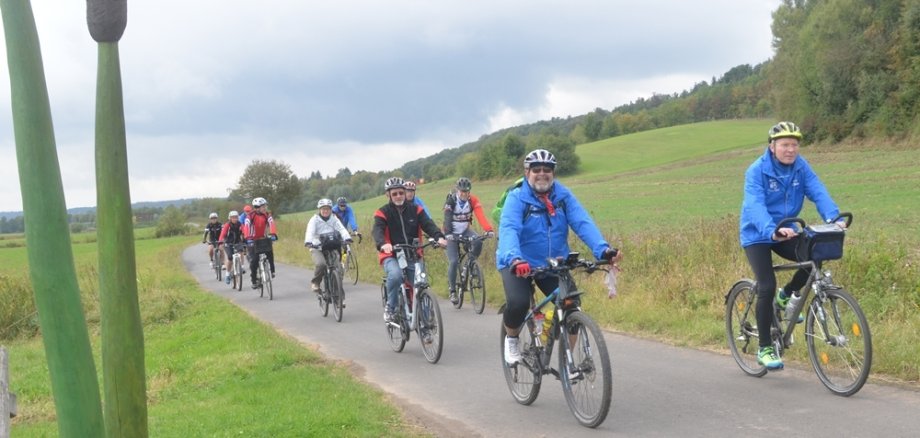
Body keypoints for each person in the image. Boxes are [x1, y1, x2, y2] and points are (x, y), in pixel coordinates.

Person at [497, 149, 622, 365]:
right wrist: (515, 258)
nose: (542, 174)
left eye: (547, 169)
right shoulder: (517, 198)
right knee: (518, 303)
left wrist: (603, 250)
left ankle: (568, 359)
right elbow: (509, 229)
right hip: (518, 262)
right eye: (537, 169)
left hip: (552, 264)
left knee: (571, 304)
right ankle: (512, 339)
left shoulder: (563, 197)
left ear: (553, 173)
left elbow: (583, 222)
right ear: (527, 172)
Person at [740, 121, 843, 371]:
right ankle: (764, 348)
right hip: (758, 234)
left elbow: (817, 190)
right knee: (766, 285)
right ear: (772, 147)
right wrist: (770, 230)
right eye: (785, 144)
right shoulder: (757, 170)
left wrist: (834, 217)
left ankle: (785, 298)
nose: (790, 149)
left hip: (787, 231)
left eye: (795, 145)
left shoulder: (800, 167)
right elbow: (754, 205)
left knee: (814, 254)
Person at [373, 177, 447, 322]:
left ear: (405, 192)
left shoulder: (416, 210)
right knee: (395, 275)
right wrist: (383, 244)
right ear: (388, 195)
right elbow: (377, 231)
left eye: (401, 192)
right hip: (391, 254)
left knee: (420, 285)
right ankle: (391, 307)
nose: (398, 196)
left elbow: (428, 224)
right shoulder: (382, 212)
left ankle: (426, 324)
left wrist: (439, 237)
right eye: (394, 194)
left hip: (413, 253)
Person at [443, 177, 495, 304]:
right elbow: (447, 218)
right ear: (457, 190)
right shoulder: (451, 200)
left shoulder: (473, 200)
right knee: (454, 261)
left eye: (467, 192)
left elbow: (480, 215)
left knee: (478, 240)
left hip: (465, 230)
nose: (464, 194)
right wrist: (449, 234)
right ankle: (453, 291)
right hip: (451, 233)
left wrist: (488, 229)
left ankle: (470, 264)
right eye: (462, 191)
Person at [305, 198, 352, 293]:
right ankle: (316, 283)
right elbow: (310, 231)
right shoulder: (314, 220)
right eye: (323, 209)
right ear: (319, 209)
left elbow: (341, 229)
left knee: (338, 269)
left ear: (331, 209)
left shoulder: (334, 218)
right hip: (317, 247)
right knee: (321, 264)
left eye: (327, 209)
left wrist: (347, 237)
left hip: (332, 245)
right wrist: (308, 241)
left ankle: (339, 297)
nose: (325, 211)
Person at [244, 197, 278, 288]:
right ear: (257, 207)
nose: (265, 208)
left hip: (263, 238)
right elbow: (246, 226)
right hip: (252, 240)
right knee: (254, 260)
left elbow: (271, 223)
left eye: (265, 206)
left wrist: (273, 234)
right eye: (263, 206)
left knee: (270, 253)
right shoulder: (250, 216)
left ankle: (272, 271)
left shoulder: (267, 215)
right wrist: (248, 237)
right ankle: (254, 280)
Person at [218, 210, 246, 284]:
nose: (234, 219)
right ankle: (227, 274)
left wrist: (247, 238)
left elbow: (244, 232)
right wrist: (220, 241)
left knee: (241, 251)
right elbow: (223, 234)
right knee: (230, 258)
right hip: (228, 243)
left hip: (238, 242)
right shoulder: (227, 225)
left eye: (236, 217)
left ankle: (242, 267)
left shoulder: (240, 224)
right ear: (230, 218)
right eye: (233, 217)